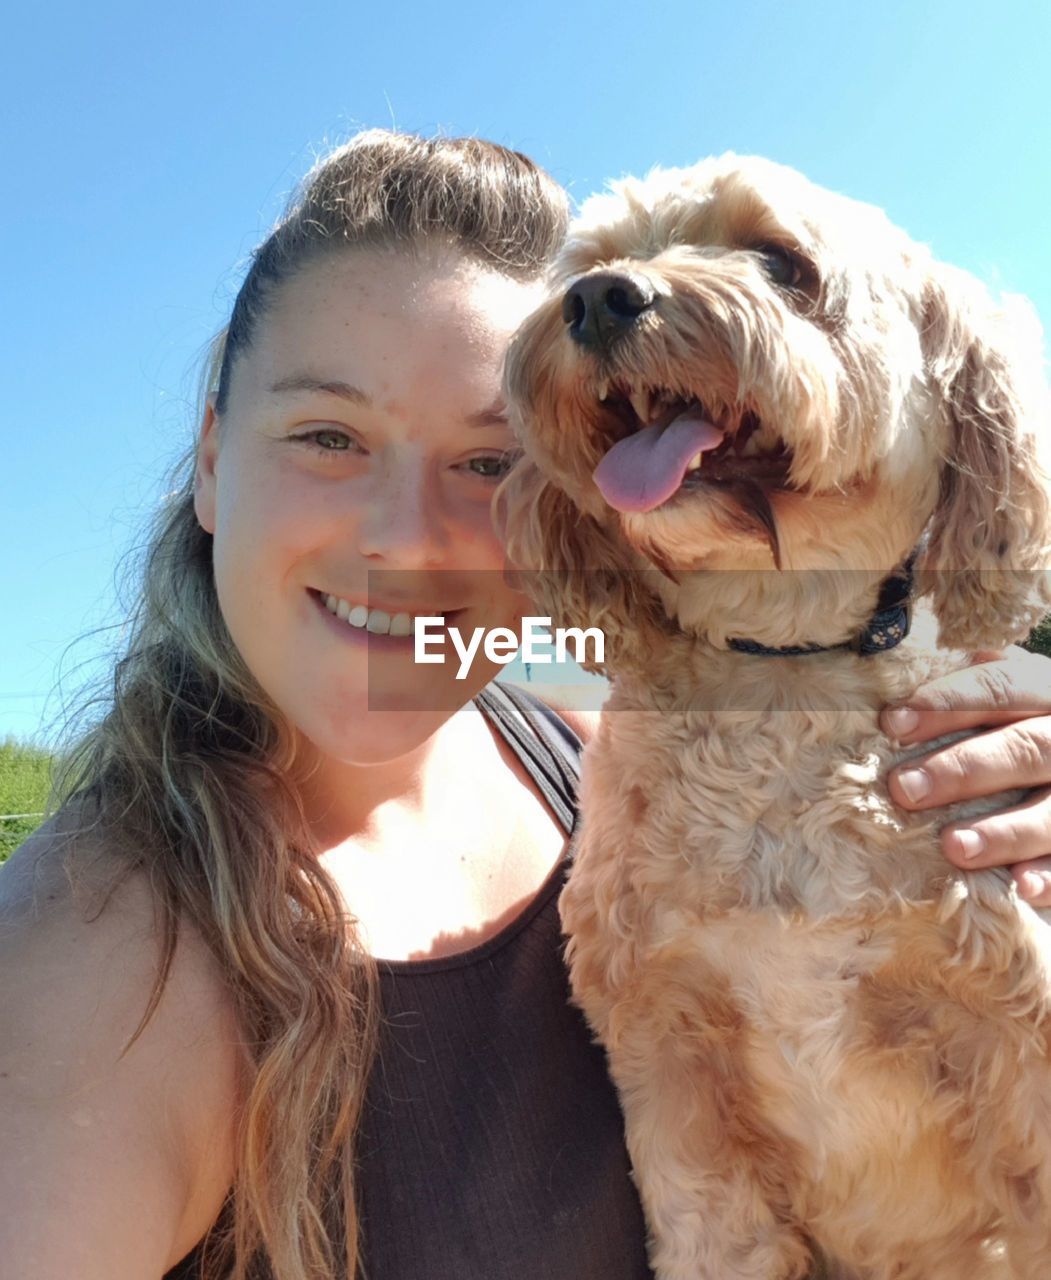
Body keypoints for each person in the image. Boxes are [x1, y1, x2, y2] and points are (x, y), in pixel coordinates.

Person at [1, 130, 1050, 1280]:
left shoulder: (576, 730)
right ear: (208, 461)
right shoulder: (88, 961)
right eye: (328, 436)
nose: (403, 539)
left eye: (491, 462)